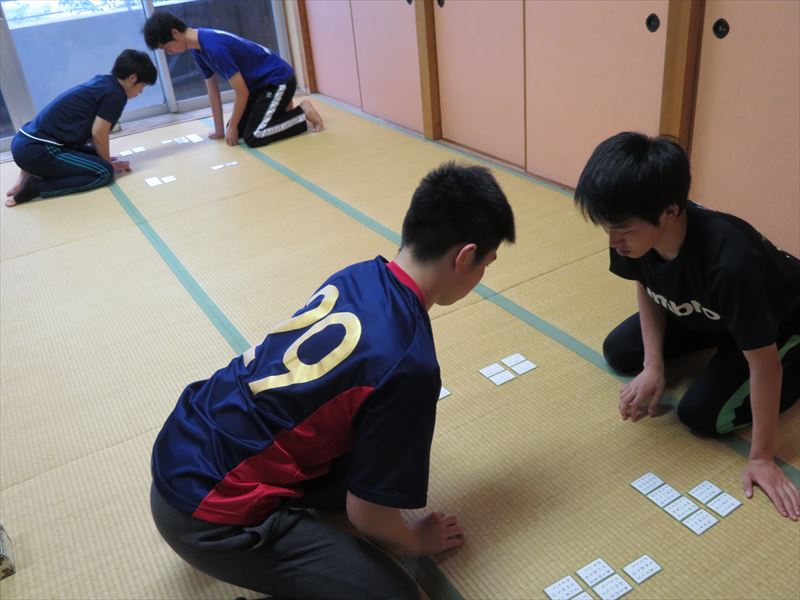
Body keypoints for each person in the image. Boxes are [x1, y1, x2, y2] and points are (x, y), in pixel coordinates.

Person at [150, 162, 516, 598]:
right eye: (486, 263)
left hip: (183, 444)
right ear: (464, 257)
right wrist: (416, 541)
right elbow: (369, 520)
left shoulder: (357, 274)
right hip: (209, 516)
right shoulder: (410, 363)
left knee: (372, 452)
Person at [574, 131, 800, 520]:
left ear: (669, 213)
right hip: (711, 312)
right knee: (620, 352)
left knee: (702, 417)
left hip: (780, 320)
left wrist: (762, 457)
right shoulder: (636, 237)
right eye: (607, 228)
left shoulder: (730, 263)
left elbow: (764, 364)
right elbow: (648, 285)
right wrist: (653, 366)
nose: (613, 241)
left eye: (622, 230)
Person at [142, 12, 323, 148]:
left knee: (254, 136)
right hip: (260, 87)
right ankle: (281, 111)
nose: (169, 53)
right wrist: (221, 130)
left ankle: (301, 113)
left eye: (166, 47)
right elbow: (213, 91)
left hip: (278, 81)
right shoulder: (197, 49)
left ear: (175, 33)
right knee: (238, 130)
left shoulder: (214, 47)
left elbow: (241, 91)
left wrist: (233, 126)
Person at [5, 49, 157, 207]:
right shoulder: (116, 95)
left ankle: (29, 176)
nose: (141, 91)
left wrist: (101, 156)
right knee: (104, 172)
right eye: (143, 85)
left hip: (26, 142)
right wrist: (108, 164)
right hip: (38, 149)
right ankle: (37, 187)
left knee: (98, 157)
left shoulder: (104, 82)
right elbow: (98, 133)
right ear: (132, 78)